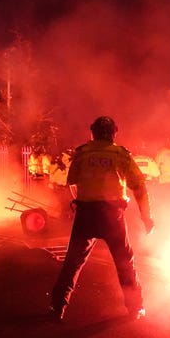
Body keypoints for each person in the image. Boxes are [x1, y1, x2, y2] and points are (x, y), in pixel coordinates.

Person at [49, 116, 155, 322]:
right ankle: (135, 308)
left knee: (72, 263)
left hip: (86, 214)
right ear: (113, 133)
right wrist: (147, 218)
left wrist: (78, 203)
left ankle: (57, 306)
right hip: (112, 216)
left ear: (93, 133)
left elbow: (71, 183)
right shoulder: (120, 155)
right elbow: (140, 187)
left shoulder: (82, 154)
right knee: (125, 262)